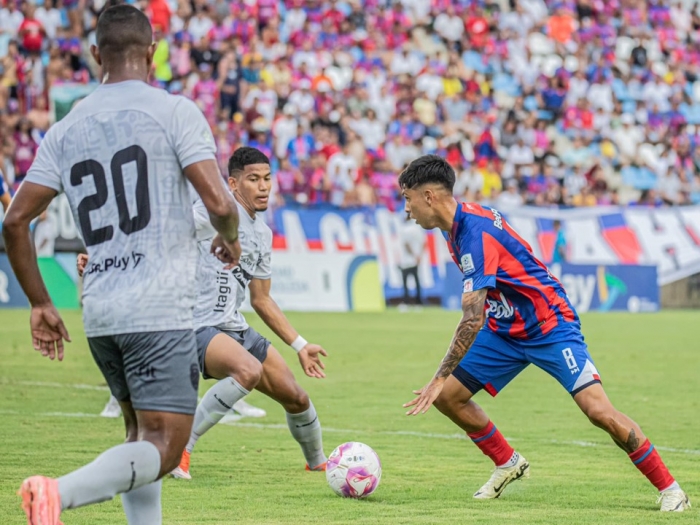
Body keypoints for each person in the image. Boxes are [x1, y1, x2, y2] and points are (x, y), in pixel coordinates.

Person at [2, 6, 241, 524]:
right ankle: (55, 494)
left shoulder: (65, 130)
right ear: (152, 52)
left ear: (95, 56)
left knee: (138, 438)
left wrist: (41, 302)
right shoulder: (175, 111)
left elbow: (15, 222)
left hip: (102, 310)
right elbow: (221, 205)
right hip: (160, 307)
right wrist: (230, 240)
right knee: (166, 445)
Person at [398, 155, 690, 512]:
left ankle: (672, 489)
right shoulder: (454, 225)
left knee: (598, 412)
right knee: (449, 398)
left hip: (550, 326)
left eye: (408, 198)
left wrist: (437, 376)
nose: (407, 209)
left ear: (428, 196)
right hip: (506, 329)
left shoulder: (475, 233)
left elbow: (471, 319)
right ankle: (507, 463)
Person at [171, 146, 328, 479]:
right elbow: (164, 233)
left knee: (296, 397)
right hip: (195, 324)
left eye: (268, 179)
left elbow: (262, 299)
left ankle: (319, 463)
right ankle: (180, 449)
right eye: (254, 179)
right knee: (247, 370)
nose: (263, 186)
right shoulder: (211, 212)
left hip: (232, 326)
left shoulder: (262, 233)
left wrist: (300, 345)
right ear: (232, 183)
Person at [397, 214, 425, 305]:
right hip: (416, 260)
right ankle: (418, 302)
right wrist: (419, 256)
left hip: (406, 260)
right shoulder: (418, 229)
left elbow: (406, 245)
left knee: (405, 282)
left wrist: (414, 255)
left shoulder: (405, 229)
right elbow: (423, 243)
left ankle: (406, 302)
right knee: (417, 281)